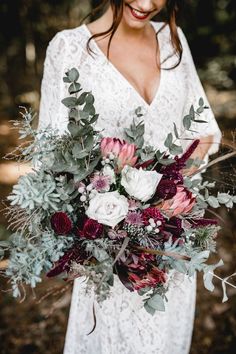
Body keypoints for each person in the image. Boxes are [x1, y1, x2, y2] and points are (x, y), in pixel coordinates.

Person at [38, 1, 222, 353]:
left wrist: (169, 195)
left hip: (173, 246)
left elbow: (205, 133)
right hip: (110, 252)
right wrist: (113, 216)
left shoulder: (172, 40)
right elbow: (53, 158)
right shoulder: (68, 48)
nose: (148, 3)